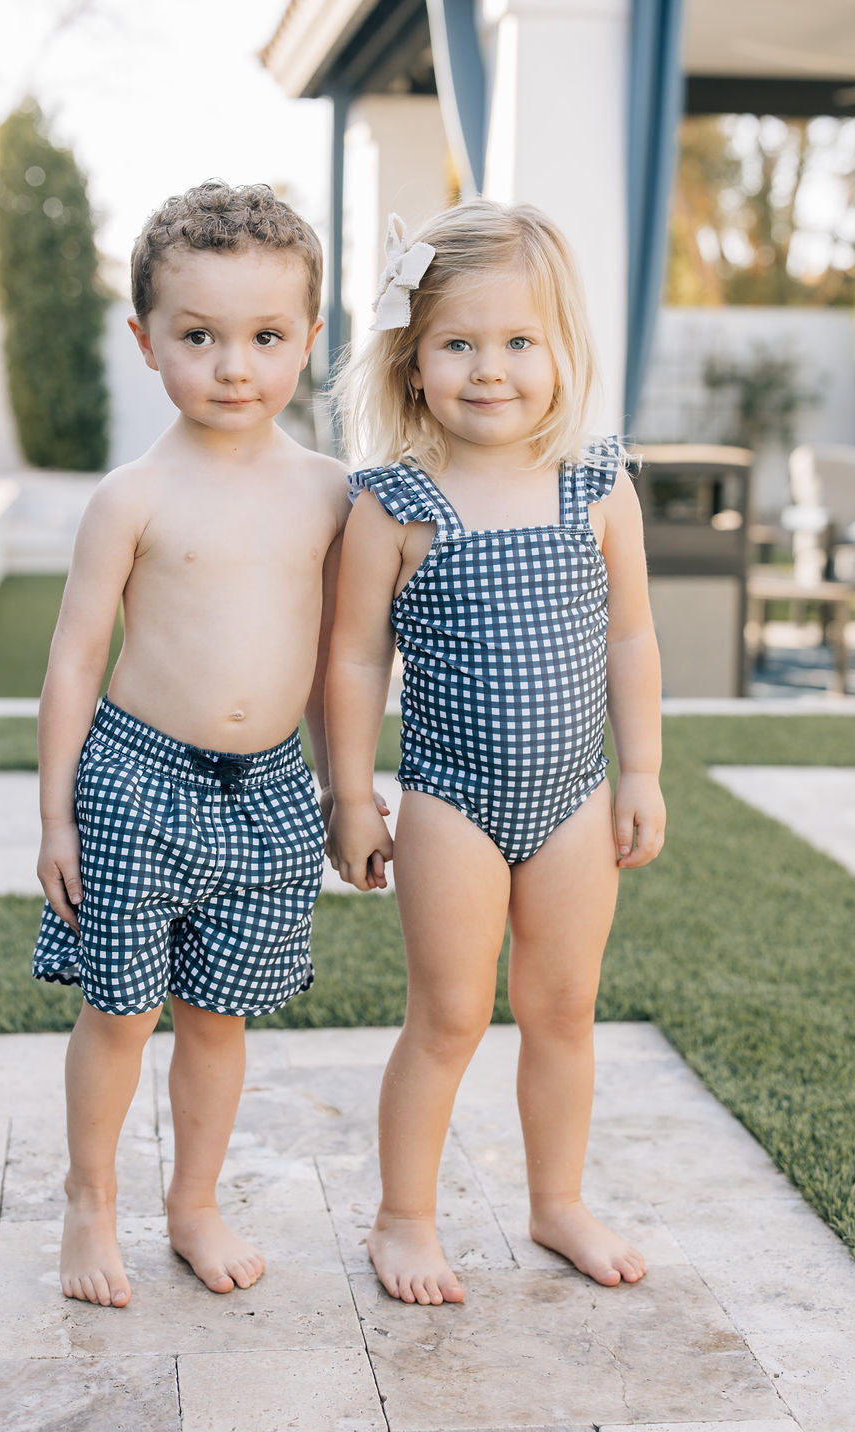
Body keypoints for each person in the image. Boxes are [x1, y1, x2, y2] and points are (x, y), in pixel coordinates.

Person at [326, 201, 665, 1307]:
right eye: (458, 343)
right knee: (450, 1013)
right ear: (412, 361)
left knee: (564, 1007)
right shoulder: (396, 505)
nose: (490, 370)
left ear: (563, 351)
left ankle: (556, 1200)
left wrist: (643, 770)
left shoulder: (596, 482)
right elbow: (353, 661)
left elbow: (629, 635)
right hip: (449, 803)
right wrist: (350, 792)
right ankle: (403, 1217)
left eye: (520, 341)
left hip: (572, 796)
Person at [32, 179, 350, 1309]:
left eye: (266, 337)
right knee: (119, 1012)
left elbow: (338, 663)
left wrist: (346, 795)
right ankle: (90, 1201)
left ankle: (194, 1203)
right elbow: (73, 661)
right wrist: (57, 812)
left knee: (218, 1017)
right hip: (134, 781)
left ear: (309, 340)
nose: (234, 367)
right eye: (199, 336)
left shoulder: (330, 494)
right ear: (146, 340)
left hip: (269, 793)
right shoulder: (132, 498)